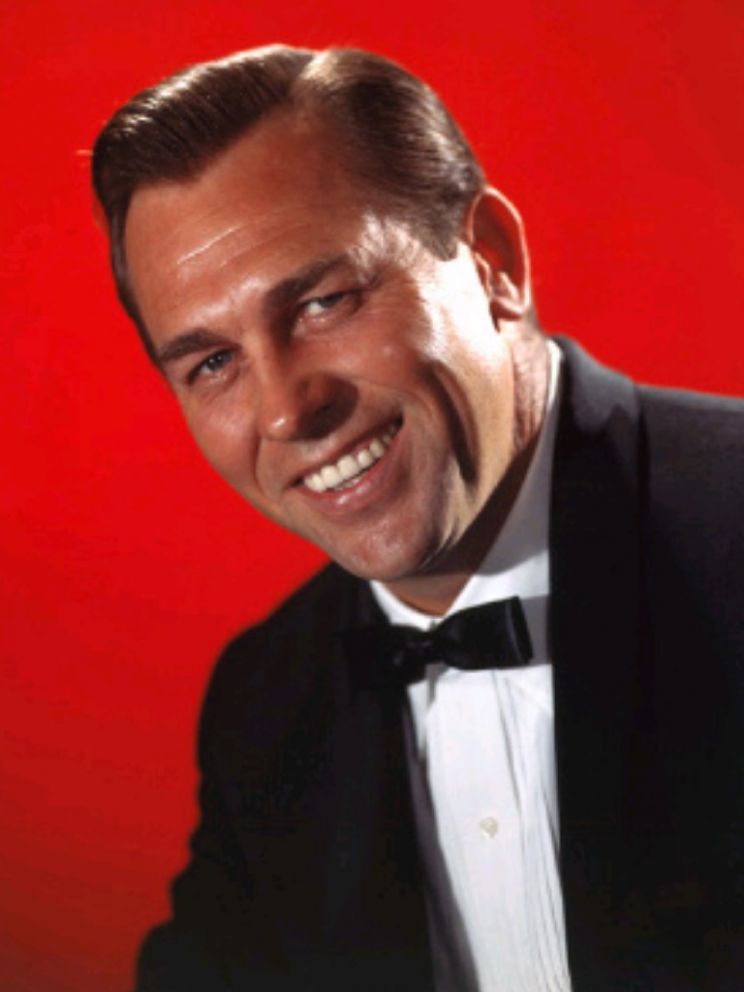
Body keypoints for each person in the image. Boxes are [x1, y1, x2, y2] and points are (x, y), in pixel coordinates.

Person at [91, 45, 744, 992]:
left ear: (492, 262)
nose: (286, 412)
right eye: (213, 364)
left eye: (326, 301)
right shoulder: (265, 707)